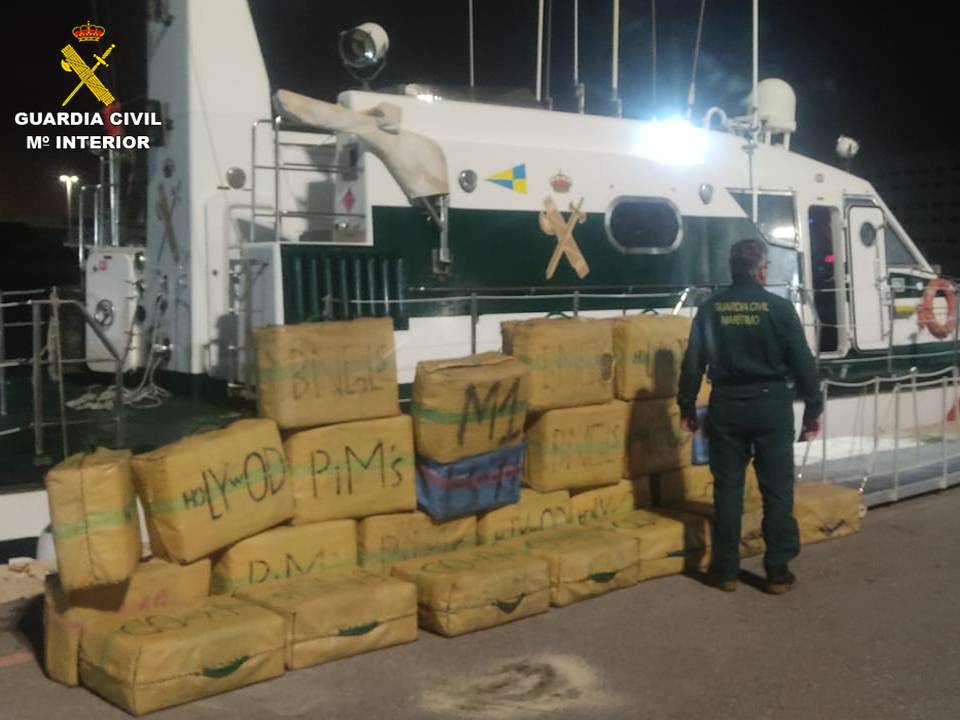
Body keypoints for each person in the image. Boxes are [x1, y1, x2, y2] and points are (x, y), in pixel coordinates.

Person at [677, 238, 822, 595]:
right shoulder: (780, 308)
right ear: (760, 269)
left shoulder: (710, 309)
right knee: (776, 491)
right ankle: (776, 572)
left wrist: (686, 405)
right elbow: (803, 362)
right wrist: (813, 409)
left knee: (728, 490)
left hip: (726, 404)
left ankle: (725, 571)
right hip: (771, 403)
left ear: (733, 268)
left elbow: (693, 361)